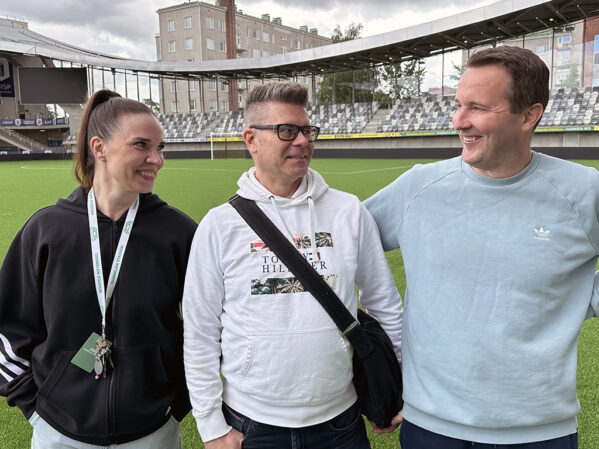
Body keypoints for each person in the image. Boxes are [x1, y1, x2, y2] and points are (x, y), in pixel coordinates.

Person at [364, 46, 599, 448]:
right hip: (429, 428)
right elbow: (338, 242)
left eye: (477, 107)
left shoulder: (583, 192)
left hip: (539, 432)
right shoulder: (419, 187)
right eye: (458, 105)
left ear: (529, 115)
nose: (459, 121)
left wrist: (581, 299)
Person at [182, 81, 404, 449]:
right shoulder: (219, 225)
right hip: (253, 424)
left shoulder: (349, 211)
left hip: (340, 423)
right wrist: (210, 424)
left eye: (307, 130)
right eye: (286, 130)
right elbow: (200, 331)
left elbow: (384, 303)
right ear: (251, 139)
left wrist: (399, 385)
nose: (302, 141)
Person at [0, 89, 197, 448]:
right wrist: (36, 408)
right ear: (99, 148)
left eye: (161, 147)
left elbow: (210, 330)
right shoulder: (45, 231)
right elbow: (8, 330)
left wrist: (176, 403)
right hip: (59, 433)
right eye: (141, 145)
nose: (156, 159)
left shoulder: (179, 234)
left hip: (153, 432)